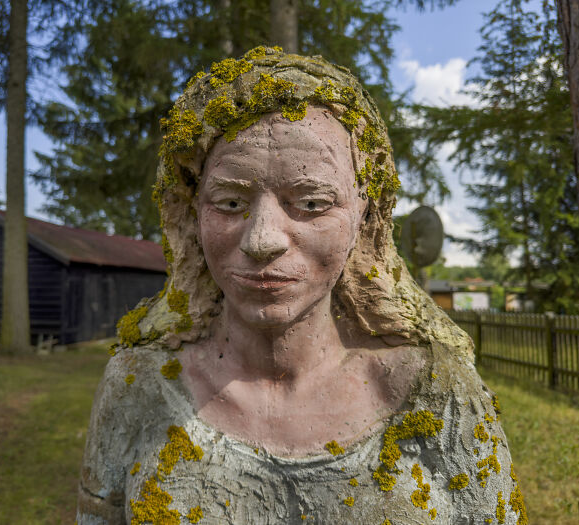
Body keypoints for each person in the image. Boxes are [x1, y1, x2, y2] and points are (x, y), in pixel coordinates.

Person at [76, 47, 526, 525]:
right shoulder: (137, 387)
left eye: (311, 202)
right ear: (192, 214)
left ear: (365, 216)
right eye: (229, 203)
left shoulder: (439, 394)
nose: (262, 240)